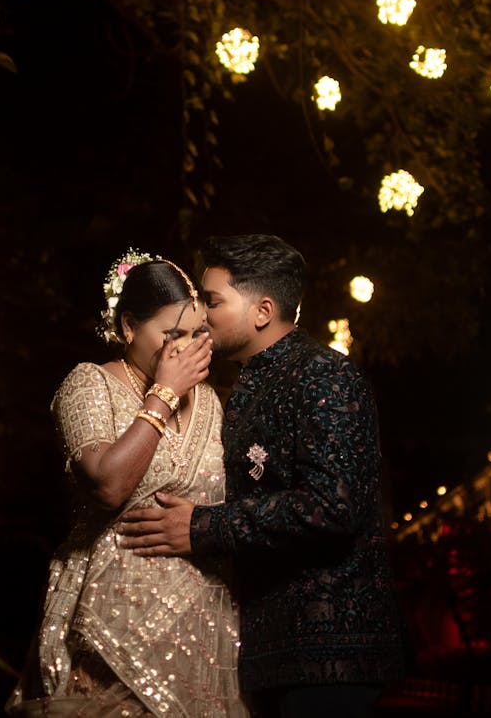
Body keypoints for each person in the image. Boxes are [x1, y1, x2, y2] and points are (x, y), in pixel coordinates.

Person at [116, 234, 406, 717]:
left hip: (329, 653)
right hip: (270, 653)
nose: (201, 316)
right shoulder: (249, 385)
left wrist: (201, 526)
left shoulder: (325, 376)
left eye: (213, 301)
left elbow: (330, 508)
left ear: (262, 311)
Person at [6, 248, 249, 717]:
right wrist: (164, 394)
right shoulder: (89, 384)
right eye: (172, 335)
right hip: (108, 628)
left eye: (199, 334)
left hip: (202, 627)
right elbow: (108, 486)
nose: (187, 349)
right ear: (127, 328)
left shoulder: (213, 405)